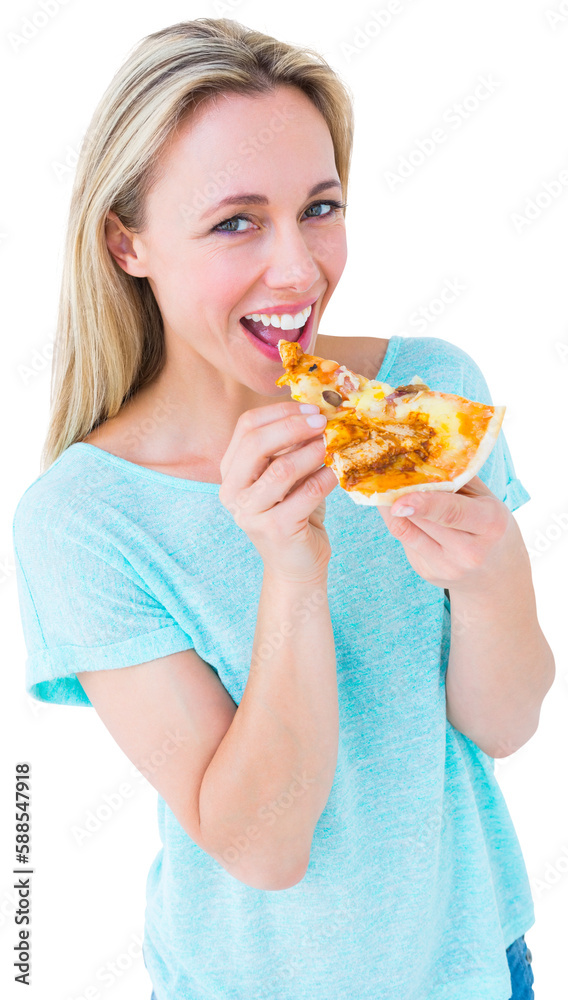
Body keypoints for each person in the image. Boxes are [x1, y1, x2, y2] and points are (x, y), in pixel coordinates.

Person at [12, 17, 550, 1000]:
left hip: (479, 964)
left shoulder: (427, 389)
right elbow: (262, 846)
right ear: (125, 242)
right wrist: (291, 568)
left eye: (320, 206)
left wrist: (489, 574)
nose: (299, 271)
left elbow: (506, 721)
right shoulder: (82, 519)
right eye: (235, 221)